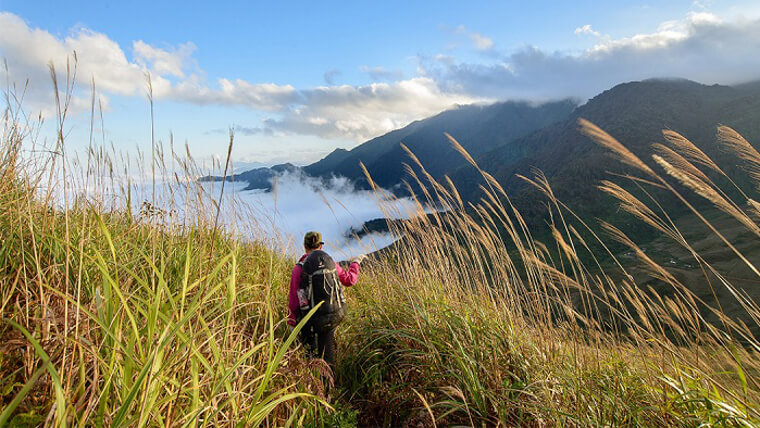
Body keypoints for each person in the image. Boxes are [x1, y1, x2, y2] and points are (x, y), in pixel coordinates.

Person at [287, 231, 365, 376]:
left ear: (304, 246)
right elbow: (350, 280)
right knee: (327, 356)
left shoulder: (299, 269)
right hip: (330, 316)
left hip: (308, 320)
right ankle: (328, 390)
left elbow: (295, 299)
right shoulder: (331, 263)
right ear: (321, 246)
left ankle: (311, 389)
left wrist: (292, 320)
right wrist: (355, 263)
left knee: (309, 357)